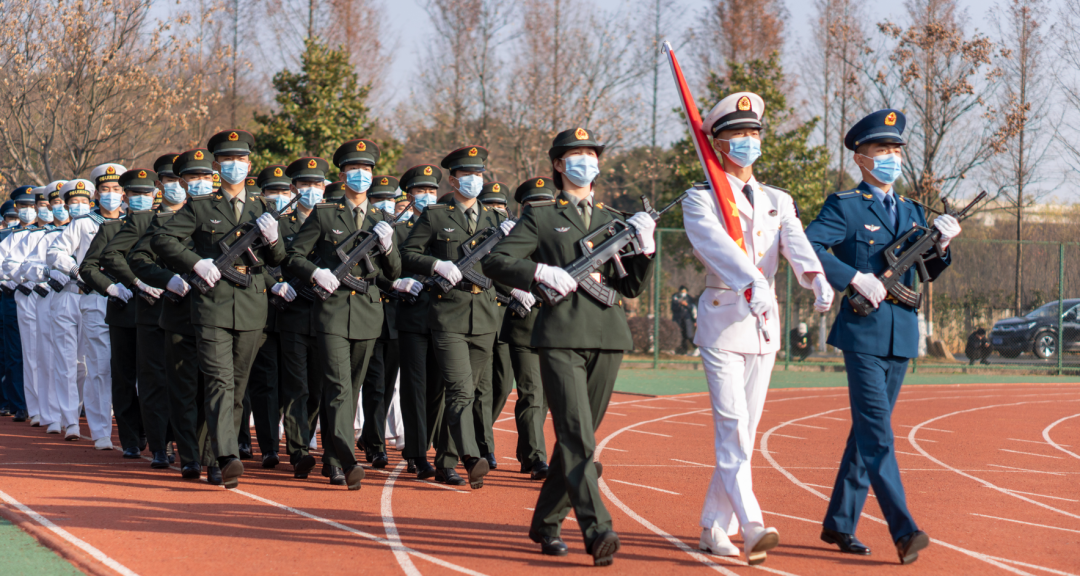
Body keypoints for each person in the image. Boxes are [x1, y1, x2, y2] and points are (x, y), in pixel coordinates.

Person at [482, 127, 655, 566]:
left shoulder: (613, 219)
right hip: (559, 337)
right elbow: (496, 260)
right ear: (559, 165)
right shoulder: (542, 217)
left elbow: (629, 286)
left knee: (579, 439)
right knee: (577, 434)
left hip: (609, 336)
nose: (586, 161)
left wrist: (647, 248)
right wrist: (539, 272)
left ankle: (545, 522)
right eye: (576, 154)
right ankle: (598, 528)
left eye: (591, 154)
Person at [681, 92, 832, 565]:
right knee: (732, 429)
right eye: (738, 135)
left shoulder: (777, 200)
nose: (749, 142)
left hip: (764, 327)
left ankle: (711, 526)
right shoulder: (699, 198)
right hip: (724, 320)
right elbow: (715, 249)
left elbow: (797, 244)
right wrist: (751, 281)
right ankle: (752, 525)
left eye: (754, 134)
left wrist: (816, 278)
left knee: (745, 432)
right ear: (719, 143)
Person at [805, 109, 961, 565]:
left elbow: (926, 270)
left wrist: (944, 245)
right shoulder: (846, 207)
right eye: (883, 150)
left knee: (867, 434)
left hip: (900, 335)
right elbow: (810, 245)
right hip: (862, 332)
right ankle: (904, 528)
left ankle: (839, 523)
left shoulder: (912, 211)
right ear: (861, 158)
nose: (892, 158)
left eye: (896, 150)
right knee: (878, 435)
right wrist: (854, 276)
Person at [152, 130, 285, 489]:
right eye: (227, 160)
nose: (235, 166)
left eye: (241, 160)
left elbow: (279, 260)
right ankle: (226, 457)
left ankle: (216, 456)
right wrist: (197, 263)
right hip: (211, 307)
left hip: (252, 306)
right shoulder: (200, 207)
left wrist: (273, 239)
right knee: (218, 383)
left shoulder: (263, 209)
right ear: (216, 167)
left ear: (249, 164)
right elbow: (162, 239)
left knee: (237, 388)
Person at [282, 144, 399, 490]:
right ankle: (345, 460)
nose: (361, 174)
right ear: (342, 175)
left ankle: (333, 458)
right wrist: (316, 273)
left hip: (367, 312)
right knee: (336, 386)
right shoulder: (324, 214)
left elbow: (392, 274)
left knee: (352, 387)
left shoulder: (381, 220)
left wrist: (390, 247)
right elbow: (292, 256)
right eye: (354, 168)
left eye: (367, 168)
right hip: (331, 312)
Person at [401, 146, 510, 490]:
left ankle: (447, 460)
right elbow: (407, 253)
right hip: (447, 315)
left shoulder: (494, 220)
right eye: (467, 175)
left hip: (485, 315)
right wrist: (436, 265)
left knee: (472, 391)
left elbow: (507, 266)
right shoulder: (436, 215)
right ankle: (467, 456)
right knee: (458, 389)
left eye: (478, 175)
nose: (474, 181)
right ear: (453, 179)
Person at [129, 150, 213, 480]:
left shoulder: (229, 217)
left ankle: (209, 454)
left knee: (213, 389)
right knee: (181, 389)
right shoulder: (162, 221)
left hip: (218, 315)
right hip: (179, 315)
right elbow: (139, 260)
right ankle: (188, 455)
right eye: (191, 178)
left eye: (204, 177)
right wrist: (169, 280)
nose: (199, 183)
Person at [101, 168, 174, 467]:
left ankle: (160, 438)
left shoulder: (167, 223)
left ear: (156, 193)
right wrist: (120, 284)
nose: (141, 198)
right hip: (124, 312)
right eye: (134, 193)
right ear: (125, 196)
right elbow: (92, 266)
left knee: (158, 378)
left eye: (146, 193)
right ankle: (131, 438)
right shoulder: (111, 228)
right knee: (124, 377)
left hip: (160, 311)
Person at [50, 171, 124, 449]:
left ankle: (133, 429)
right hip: (94, 299)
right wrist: (75, 271)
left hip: (129, 300)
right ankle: (101, 431)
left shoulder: (133, 221)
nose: (110, 193)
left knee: (130, 367)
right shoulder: (83, 223)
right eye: (105, 188)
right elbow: (56, 251)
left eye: (116, 188)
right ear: (96, 194)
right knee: (98, 367)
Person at [265, 164, 322, 479]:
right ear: (294, 188)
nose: (310, 189)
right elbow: (266, 260)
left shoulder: (332, 221)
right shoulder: (282, 224)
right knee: (297, 386)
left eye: (316, 183)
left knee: (316, 390)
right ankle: (299, 450)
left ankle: (304, 436)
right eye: (304, 183)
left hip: (326, 317)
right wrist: (277, 280)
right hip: (292, 314)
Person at [502, 176, 556, 481]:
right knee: (532, 394)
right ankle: (537, 458)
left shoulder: (562, 236)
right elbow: (497, 268)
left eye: (545, 205)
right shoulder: (514, 236)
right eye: (533, 206)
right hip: (525, 326)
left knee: (545, 398)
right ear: (524, 210)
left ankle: (526, 452)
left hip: (556, 327)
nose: (540, 211)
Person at [393, 164, 444, 480]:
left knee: (438, 388)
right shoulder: (397, 229)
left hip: (442, 317)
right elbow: (389, 269)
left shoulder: (444, 226)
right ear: (408, 196)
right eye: (420, 191)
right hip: (411, 315)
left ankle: (429, 445)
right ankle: (415, 452)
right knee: (415, 387)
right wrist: (398, 282)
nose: (427, 196)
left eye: (431, 191)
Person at [358, 174, 405, 469]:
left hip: (396, 318)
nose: (387, 205)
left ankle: (368, 435)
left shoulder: (399, 230)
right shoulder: (364, 229)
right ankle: (376, 445)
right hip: (372, 313)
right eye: (380, 200)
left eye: (391, 200)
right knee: (374, 384)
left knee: (387, 386)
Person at [475, 180, 514, 470]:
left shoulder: (515, 237)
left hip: (507, 320)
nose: (497, 211)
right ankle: (484, 445)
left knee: (503, 386)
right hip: (482, 315)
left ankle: (477, 429)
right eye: (491, 206)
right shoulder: (477, 235)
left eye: (501, 206)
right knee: (482, 387)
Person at [3, 186, 44, 426]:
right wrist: (18, 281)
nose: (29, 210)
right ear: (16, 208)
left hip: (49, 297)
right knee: (18, 354)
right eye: (24, 206)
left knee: (46, 355)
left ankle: (46, 404)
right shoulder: (9, 237)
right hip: (15, 297)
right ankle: (21, 405)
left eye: (33, 206)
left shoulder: (51, 233)